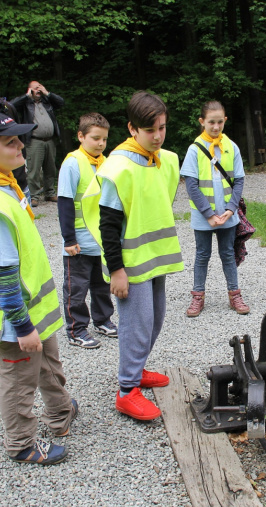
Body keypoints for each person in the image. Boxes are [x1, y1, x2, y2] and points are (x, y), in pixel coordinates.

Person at [0, 112, 78, 465]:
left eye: (20, 138)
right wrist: (22, 327)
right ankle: (21, 442)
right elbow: (3, 275)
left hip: (33, 311)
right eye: (10, 142)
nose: (21, 145)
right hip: (17, 319)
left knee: (47, 363)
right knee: (19, 380)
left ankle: (60, 413)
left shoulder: (4, 185)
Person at [82, 91, 183, 421]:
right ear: (132, 128)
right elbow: (108, 225)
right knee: (136, 324)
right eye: (149, 130)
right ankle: (127, 391)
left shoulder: (165, 159)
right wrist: (117, 271)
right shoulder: (118, 167)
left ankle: (137, 372)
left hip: (155, 258)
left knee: (154, 319)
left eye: (162, 128)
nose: (157, 136)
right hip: (130, 264)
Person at [181, 101, 249, 317]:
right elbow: (191, 185)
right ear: (202, 122)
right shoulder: (194, 149)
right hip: (204, 217)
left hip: (228, 215)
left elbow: (238, 181)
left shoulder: (232, 147)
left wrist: (230, 209)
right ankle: (197, 297)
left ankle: (234, 294)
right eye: (211, 122)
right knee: (202, 255)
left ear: (225, 120)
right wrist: (208, 215)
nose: (216, 126)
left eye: (220, 121)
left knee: (228, 254)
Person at [57, 113, 118, 349]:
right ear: (81, 136)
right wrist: (68, 239)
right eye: (95, 138)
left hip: (100, 241)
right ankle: (76, 329)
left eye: (104, 139)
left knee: (102, 284)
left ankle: (103, 320)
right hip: (79, 242)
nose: (101, 144)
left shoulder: (106, 162)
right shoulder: (72, 163)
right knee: (76, 288)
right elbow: (65, 202)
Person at [11, 81, 65, 207]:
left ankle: (49, 192)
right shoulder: (26, 104)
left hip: (50, 140)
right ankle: (33, 195)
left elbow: (61, 102)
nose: (38, 91)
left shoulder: (47, 102)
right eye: (35, 89)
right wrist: (27, 96)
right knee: (34, 169)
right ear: (29, 90)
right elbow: (11, 105)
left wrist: (47, 93)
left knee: (50, 168)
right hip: (34, 140)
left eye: (40, 88)